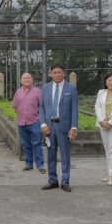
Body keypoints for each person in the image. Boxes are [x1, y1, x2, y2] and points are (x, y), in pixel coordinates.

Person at [39, 64, 78, 192]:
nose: (57, 75)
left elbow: (74, 109)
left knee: (65, 155)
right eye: (54, 72)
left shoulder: (71, 88)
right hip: (50, 127)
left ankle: (65, 182)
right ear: (51, 74)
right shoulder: (45, 88)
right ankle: (52, 180)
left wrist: (73, 127)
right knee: (50, 155)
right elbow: (42, 107)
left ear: (64, 73)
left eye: (59, 72)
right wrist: (43, 124)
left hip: (64, 127)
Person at [12, 72, 45, 173]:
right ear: (21, 81)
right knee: (26, 144)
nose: (26, 80)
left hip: (34, 121)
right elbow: (15, 106)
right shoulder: (18, 92)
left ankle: (40, 166)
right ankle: (28, 164)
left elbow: (42, 106)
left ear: (32, 80)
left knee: (37, 144)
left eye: (28, 78)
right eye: (24, 78)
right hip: (21, 122)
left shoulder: (37, 91)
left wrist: (39, 118)